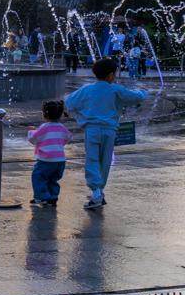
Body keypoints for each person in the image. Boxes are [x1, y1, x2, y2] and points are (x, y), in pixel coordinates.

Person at [65, 56, 147, 210]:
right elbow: (135, 98)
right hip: (109, 130)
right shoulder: (116, 89)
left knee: (92, 159)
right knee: (105, 160)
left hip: (92, 130)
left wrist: (80, 116)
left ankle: (95, 191)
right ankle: (99, 190)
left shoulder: (87, 89)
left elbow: (69, 103)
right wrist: (144, 93)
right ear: (110, 75)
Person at [28, 100, 71, 207]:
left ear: (44, 114)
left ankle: (41, 197)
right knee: (53, 179)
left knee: (38, 177)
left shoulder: (44, 127)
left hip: (46, 160)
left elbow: (34, 139)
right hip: (60, 160)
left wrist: (31, 131)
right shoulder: (62, 127)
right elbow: (68, 137)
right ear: (60, 115)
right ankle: (52, 197)